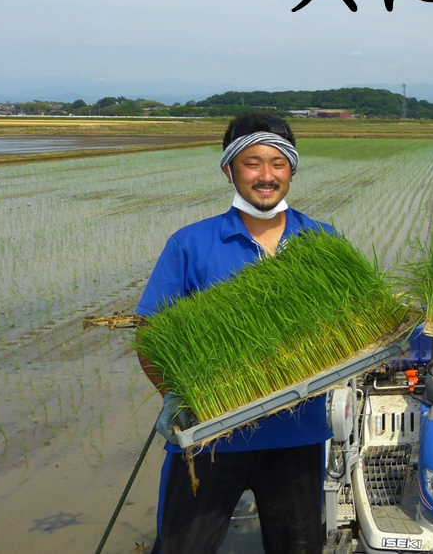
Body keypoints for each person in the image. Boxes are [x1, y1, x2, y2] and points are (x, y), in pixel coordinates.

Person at [135, 111, 332, 554]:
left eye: (278, 163)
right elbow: (150, 333)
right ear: (229, 170)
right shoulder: (191, 243)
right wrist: (173, 397)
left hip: (295, 435)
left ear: (292, 170)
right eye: (252, 163)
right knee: (183, 547)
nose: (266, 176)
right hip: (209, 437)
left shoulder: (322, 241)